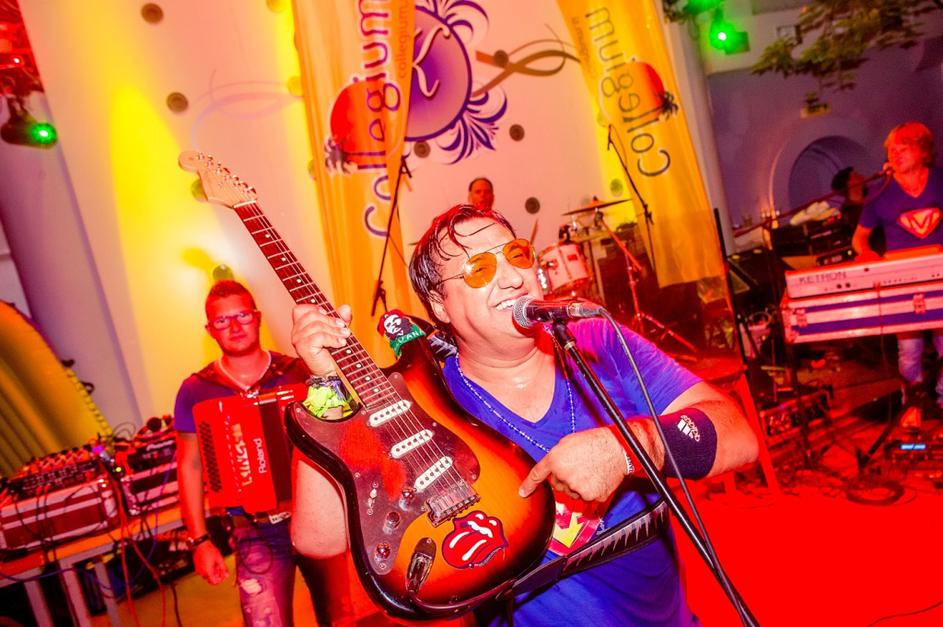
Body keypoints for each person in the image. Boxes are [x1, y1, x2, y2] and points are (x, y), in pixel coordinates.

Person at [289, 205, 759, 625]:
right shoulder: (422, 404)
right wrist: (325, 384)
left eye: (516, 254)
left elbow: (739, 436)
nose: (513, 277)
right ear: (439, 305)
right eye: (479, 269)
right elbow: (320, 539)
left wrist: (628, 448)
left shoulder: (598, 343)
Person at [174, 280, 354, 626]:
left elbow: (340, 436)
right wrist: (199, 541)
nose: (235, 326)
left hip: (316, 517)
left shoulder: (300, 370)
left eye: (242, 315)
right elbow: (190, 465)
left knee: (340, 618)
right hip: (253, 529)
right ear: (209, 330)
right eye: (222, 320)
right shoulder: (195, 390)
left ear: (257, 317)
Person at [852, 122, 943, 411]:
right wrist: (867, 254)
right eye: (892, 149)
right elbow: (859, 238)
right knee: (909, 349)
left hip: (940, 276)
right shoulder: (879, 192)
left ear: (923, 151)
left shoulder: (940, 180)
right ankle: (912, 404)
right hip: (901, 281)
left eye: (903, 148)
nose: (896, 154)